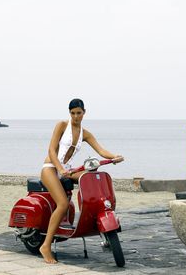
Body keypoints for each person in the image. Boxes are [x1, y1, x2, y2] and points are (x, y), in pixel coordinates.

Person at [39, 98, 124, 264]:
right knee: (63, 204)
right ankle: (46, 246)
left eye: (79, 113)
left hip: (68, 170)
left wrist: (115, 156)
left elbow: (100, 150)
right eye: (73, 113)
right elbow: (51, 149)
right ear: (69, 113)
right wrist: (60, 169)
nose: (76, 116)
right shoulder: (62, 125)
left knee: (90, 176)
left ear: (84, 112)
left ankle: (94, 211)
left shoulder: (85, 134)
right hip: (50, 167)